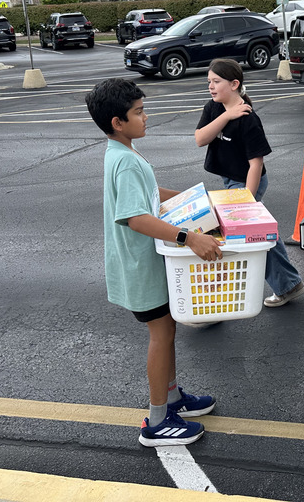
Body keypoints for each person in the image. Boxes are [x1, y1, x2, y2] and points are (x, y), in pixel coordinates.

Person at [85, 78, 222, 447]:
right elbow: (136, 217)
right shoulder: (126, 161)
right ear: (117, 121)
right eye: (139, 112)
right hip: (141, 269)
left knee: (169, 332)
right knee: (161, 335)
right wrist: (189, 236)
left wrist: (194, 200)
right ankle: (158, 420)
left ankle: (173, 397)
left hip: (142, 265)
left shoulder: (122, 152)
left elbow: (148, 195)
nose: (146, 117)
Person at [194, 58, 304, 308]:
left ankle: (219, 300)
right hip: (230, 180)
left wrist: (246, 200)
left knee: (243, 235)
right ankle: (289, 284)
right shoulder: (213, 108)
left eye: (216, 82)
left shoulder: (248, 119)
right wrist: (226, 116)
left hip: (246, 183)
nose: (211, 87)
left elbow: (255, 164)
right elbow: (201, 138)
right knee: (261, 233)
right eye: (209, 82)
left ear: (234, 84)